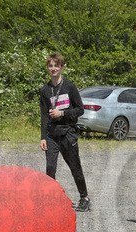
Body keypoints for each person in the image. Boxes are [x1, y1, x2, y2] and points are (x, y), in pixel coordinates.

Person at [40, 52, 90, 211]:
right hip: (52, 135)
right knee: (50, 168)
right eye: (50, 66)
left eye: (56, 66)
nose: (53, 69)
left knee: (75, 167)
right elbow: (44, 115)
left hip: (68, 133)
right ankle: (50, 199)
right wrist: (43, 137)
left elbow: (80, 109)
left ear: (62, 67)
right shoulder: (45, 90)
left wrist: (62, 113)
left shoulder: (69, 86)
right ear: (47, 68)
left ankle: (84, 198)